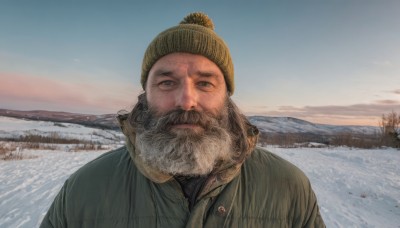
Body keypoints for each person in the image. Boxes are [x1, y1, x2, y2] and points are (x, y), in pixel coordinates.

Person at [40, 12, 325, 228]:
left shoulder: (288, 186)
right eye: (166, 82)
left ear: (227, 96)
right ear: (145, 95)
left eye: (204, 83)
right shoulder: (86, 189)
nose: (186, 100)